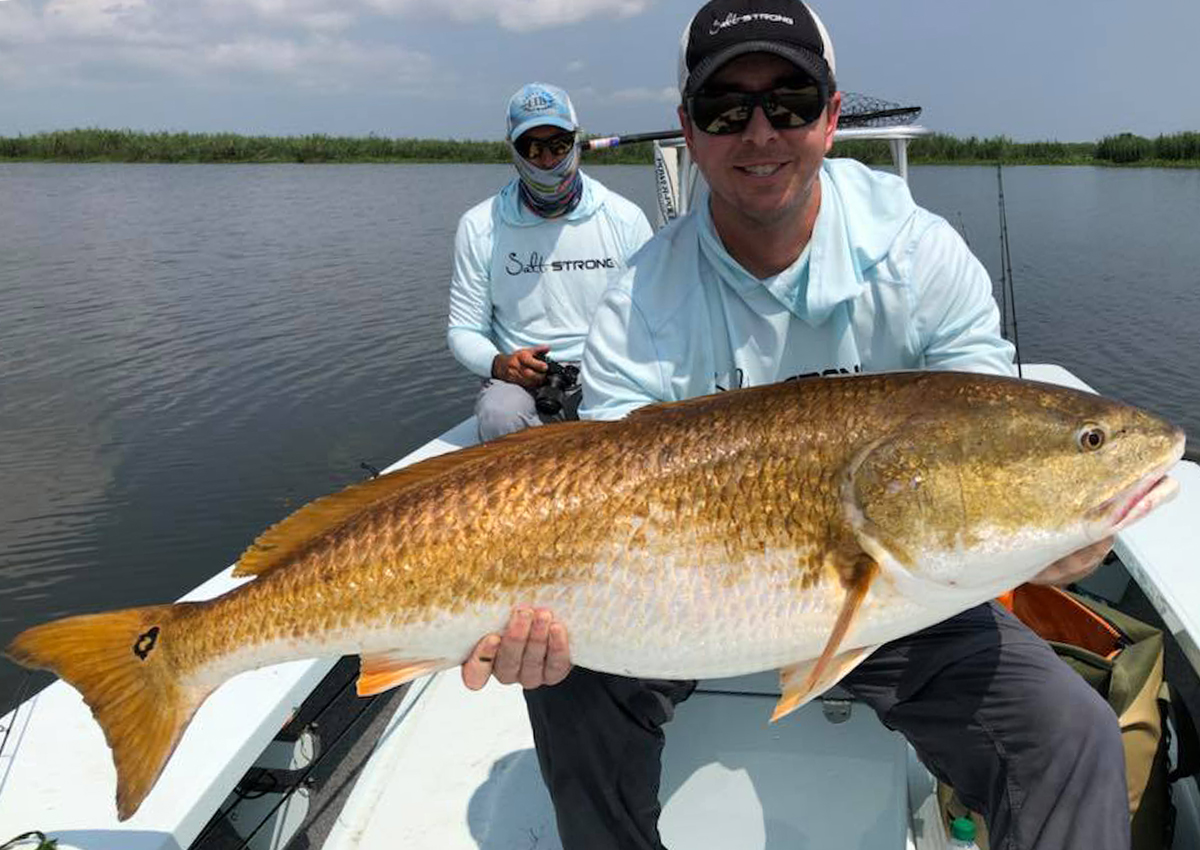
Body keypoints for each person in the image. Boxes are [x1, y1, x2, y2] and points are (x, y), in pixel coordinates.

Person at [462, 3, 1126, 849]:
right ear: (690, 134)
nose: (760, 131)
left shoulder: (918, 254)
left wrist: (1054, 526)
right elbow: (605, 488)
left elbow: (991, 423)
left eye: (791, 99)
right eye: (725, 109)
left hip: (900, 588)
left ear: (833, 115)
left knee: (1071, 736)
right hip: (676, 599)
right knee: (563, 678)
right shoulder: (640, 299)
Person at [447, 82, 653, 442]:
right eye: (533, 147)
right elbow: (463, 331)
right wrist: (502, 365)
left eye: (558, 145)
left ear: (576, 141)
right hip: (524, 385)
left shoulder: (625, 218)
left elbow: (654, 318)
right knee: (499, 415)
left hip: (608, 374)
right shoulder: (479, 226)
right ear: (514, 150)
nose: (547, 160)